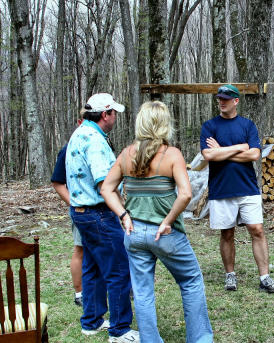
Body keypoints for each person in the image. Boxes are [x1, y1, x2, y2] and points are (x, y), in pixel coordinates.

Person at [101, 101, 213, 343]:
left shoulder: (126, 154)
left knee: (142, 292)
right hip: (165, 233)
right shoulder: (171, 154)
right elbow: (185, 194)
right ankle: (200, 339)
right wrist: (168, 221)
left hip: (134, 232)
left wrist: (124, 215)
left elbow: (106, 189)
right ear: (164, 125)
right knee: (191, 281)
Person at [66, 93, 139, 343]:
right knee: (118, 268)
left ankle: (92, 320)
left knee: (93, 266)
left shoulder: (80, 134)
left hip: (81, 213)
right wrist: (122, 212)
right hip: (97, 213)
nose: (116, 117)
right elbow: (103, 184)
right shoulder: (94, 140)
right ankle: (119, 329)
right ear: (105, 114)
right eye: (114, 113)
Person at [200, 84, 274, 293]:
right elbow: (209, 155)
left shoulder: (247, 126)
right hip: (221, 189)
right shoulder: (210, 126)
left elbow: (255, 154)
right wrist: (239, 147)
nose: (221, 102)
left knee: (257, 230)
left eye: (226, 99)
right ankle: (230, 276)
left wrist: (222, 151)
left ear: (236, 101)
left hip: (247, 187)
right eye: (219, 98)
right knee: (227, 234)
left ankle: (265, 278)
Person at [51, 143, 83, 307]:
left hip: (104, 209)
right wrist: (75, 204)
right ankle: (80, 294)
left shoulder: (103, 141)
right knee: (80, 248)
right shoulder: (69, 147)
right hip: (83, 210)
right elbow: (57, 181)